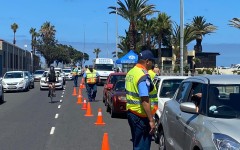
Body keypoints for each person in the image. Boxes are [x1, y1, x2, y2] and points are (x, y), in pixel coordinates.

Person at [125, 50, 158, 150]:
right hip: (141, 115)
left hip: (132, 112)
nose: (153, 64)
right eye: (152, 61)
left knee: (137, 144)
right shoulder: (143, 76)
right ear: (147, 61)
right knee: (143, 146)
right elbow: (144, 99)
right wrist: (151, 120)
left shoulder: (131, 72)